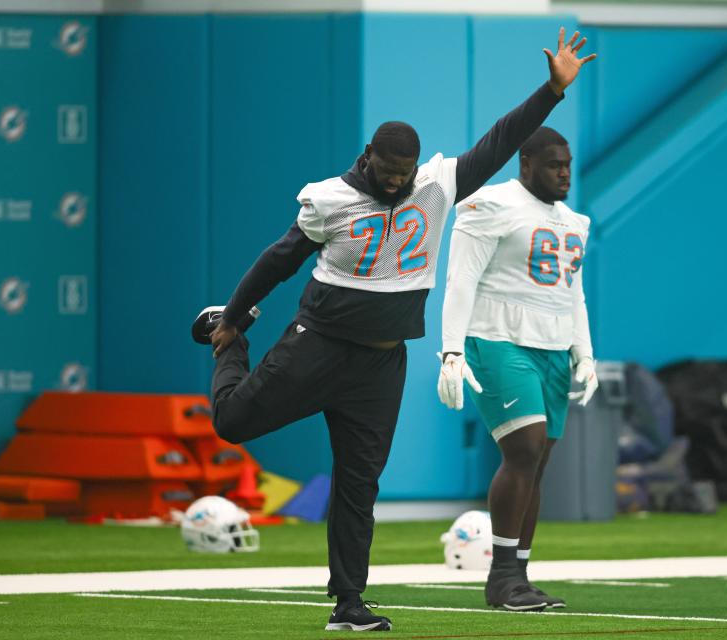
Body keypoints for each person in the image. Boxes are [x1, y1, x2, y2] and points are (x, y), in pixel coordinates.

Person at [190, 30, 596, 632]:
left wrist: (552, 92)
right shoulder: (331, 199)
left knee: (360, 484)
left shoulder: (434, 184)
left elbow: (500, 139)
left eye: (404, 171)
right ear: (367, 156)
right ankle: (231, 336)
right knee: (233, 423)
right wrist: (234, 314)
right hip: (319, 344)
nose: (395, 180)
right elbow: (281, 258)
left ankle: (349, 603)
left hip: (382, 363)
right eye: (387, 169)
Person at [437, 127, 598, 611]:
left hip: (551, 348)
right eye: (554, 164)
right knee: (524, 450)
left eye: (568, 163)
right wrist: (450, 351)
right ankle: (502, 577)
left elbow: (574, 293)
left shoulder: (575, 221)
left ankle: (519, 576)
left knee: (538, 463)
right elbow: (460, 279)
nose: (564, 172)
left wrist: (583, 352)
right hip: (497, 339)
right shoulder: (490, 204)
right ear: (525, 163)